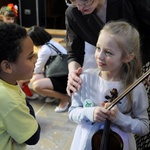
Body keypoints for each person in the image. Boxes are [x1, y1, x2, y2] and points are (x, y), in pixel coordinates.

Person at [68, 21, 149, 150]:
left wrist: (120, 119)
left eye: (108, 53)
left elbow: (144, 127)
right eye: (98, 48)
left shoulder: (136, 87)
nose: (99, 56)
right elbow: (72, 112)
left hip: (120, 144)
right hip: (86, 143)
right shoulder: (85, 79)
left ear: (127, 57)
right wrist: (90, 112)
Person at [65, 0, 150, 95]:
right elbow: (74, 52)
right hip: (112, 74)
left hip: (143, 66)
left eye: (85, 1)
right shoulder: (73, 13)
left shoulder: (131, 3)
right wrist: (73, 73)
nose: (80, 7)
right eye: (72, 1)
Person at [0, 22, 40, 149]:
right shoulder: (8, 99)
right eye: (30, 57)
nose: (35, 60)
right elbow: (33, 137)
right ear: (7, 66)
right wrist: (25, 103)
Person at [27, 26, 70, 113]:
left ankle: (64, 98)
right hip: (62, 75)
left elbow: (37, 69)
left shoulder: (45, 49)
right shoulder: (52, 44)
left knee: (36, 85)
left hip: (62, 79)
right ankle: (52, 96)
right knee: (35, 78)